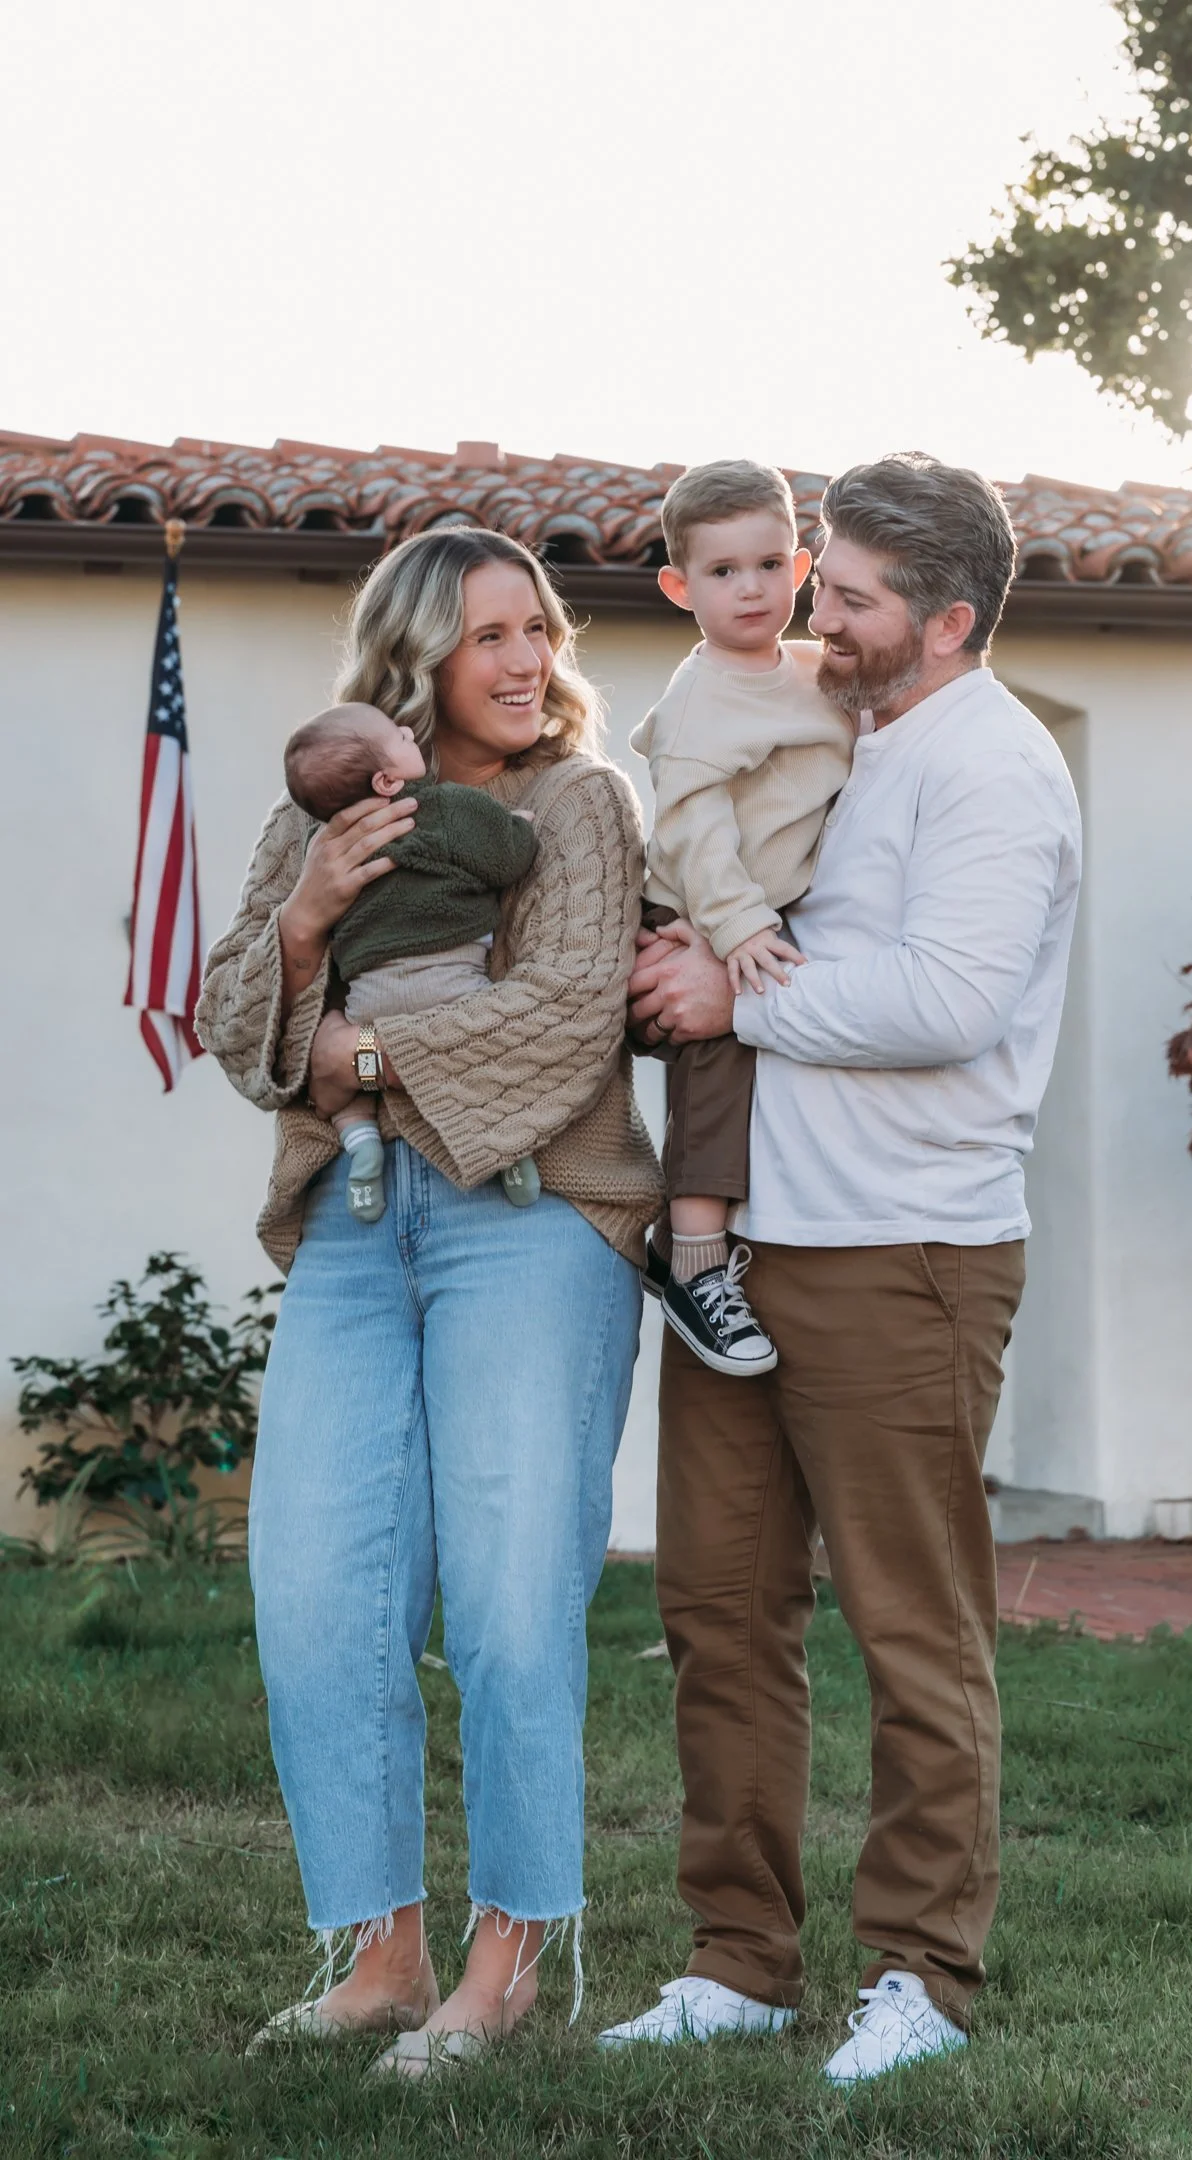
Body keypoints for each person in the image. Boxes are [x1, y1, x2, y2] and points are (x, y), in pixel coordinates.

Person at [607, 454, 1082, 2083]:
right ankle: (738, 1959)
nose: (818, 609)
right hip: (745, 1255)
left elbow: (942, 1002)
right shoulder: (838, 732)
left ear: (947, 622)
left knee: (910, 1629)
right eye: (823, 580)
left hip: (909, 1259)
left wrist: (735, 1002)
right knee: (721, 1613)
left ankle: (920, 1979)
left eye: (855, 596)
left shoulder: (993, 769)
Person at [196, 526, 663, 2076]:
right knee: (319, 1590)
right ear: (415, 661)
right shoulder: (317, 816)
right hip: (349, 1225)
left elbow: (571, 1015)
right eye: (490, 639)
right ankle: (381, 1953)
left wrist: (363, 1059)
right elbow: (231, 1014)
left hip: (530, 1224)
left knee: (515, 1597)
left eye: (538, 630)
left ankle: (510, 1955)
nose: (530, 661)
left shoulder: (582, 801)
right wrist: (309, 924)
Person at [631, 459, 853, 1375]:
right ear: (680, 588)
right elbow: (690, 824)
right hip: (697, 907)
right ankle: (691, 1260)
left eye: (768, 565)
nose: (750, 588)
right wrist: (734, 930)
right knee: (718, 1052)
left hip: (761, 908)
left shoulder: (808, 676)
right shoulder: (698, 701)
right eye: (722, 573)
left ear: (802, 568)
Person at [281, 699, 539, 1222]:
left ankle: (361, 1142)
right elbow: (511, 855)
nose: (407, 730)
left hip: (367, 996)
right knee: (482, 1055)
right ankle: (510, 1149)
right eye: (397, 739)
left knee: (347, 1089)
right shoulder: (442, 807)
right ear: (386, 783)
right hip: (448, 980)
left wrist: (355, 1054)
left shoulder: (322, 846)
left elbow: (331, 1060)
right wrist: (517, 825)